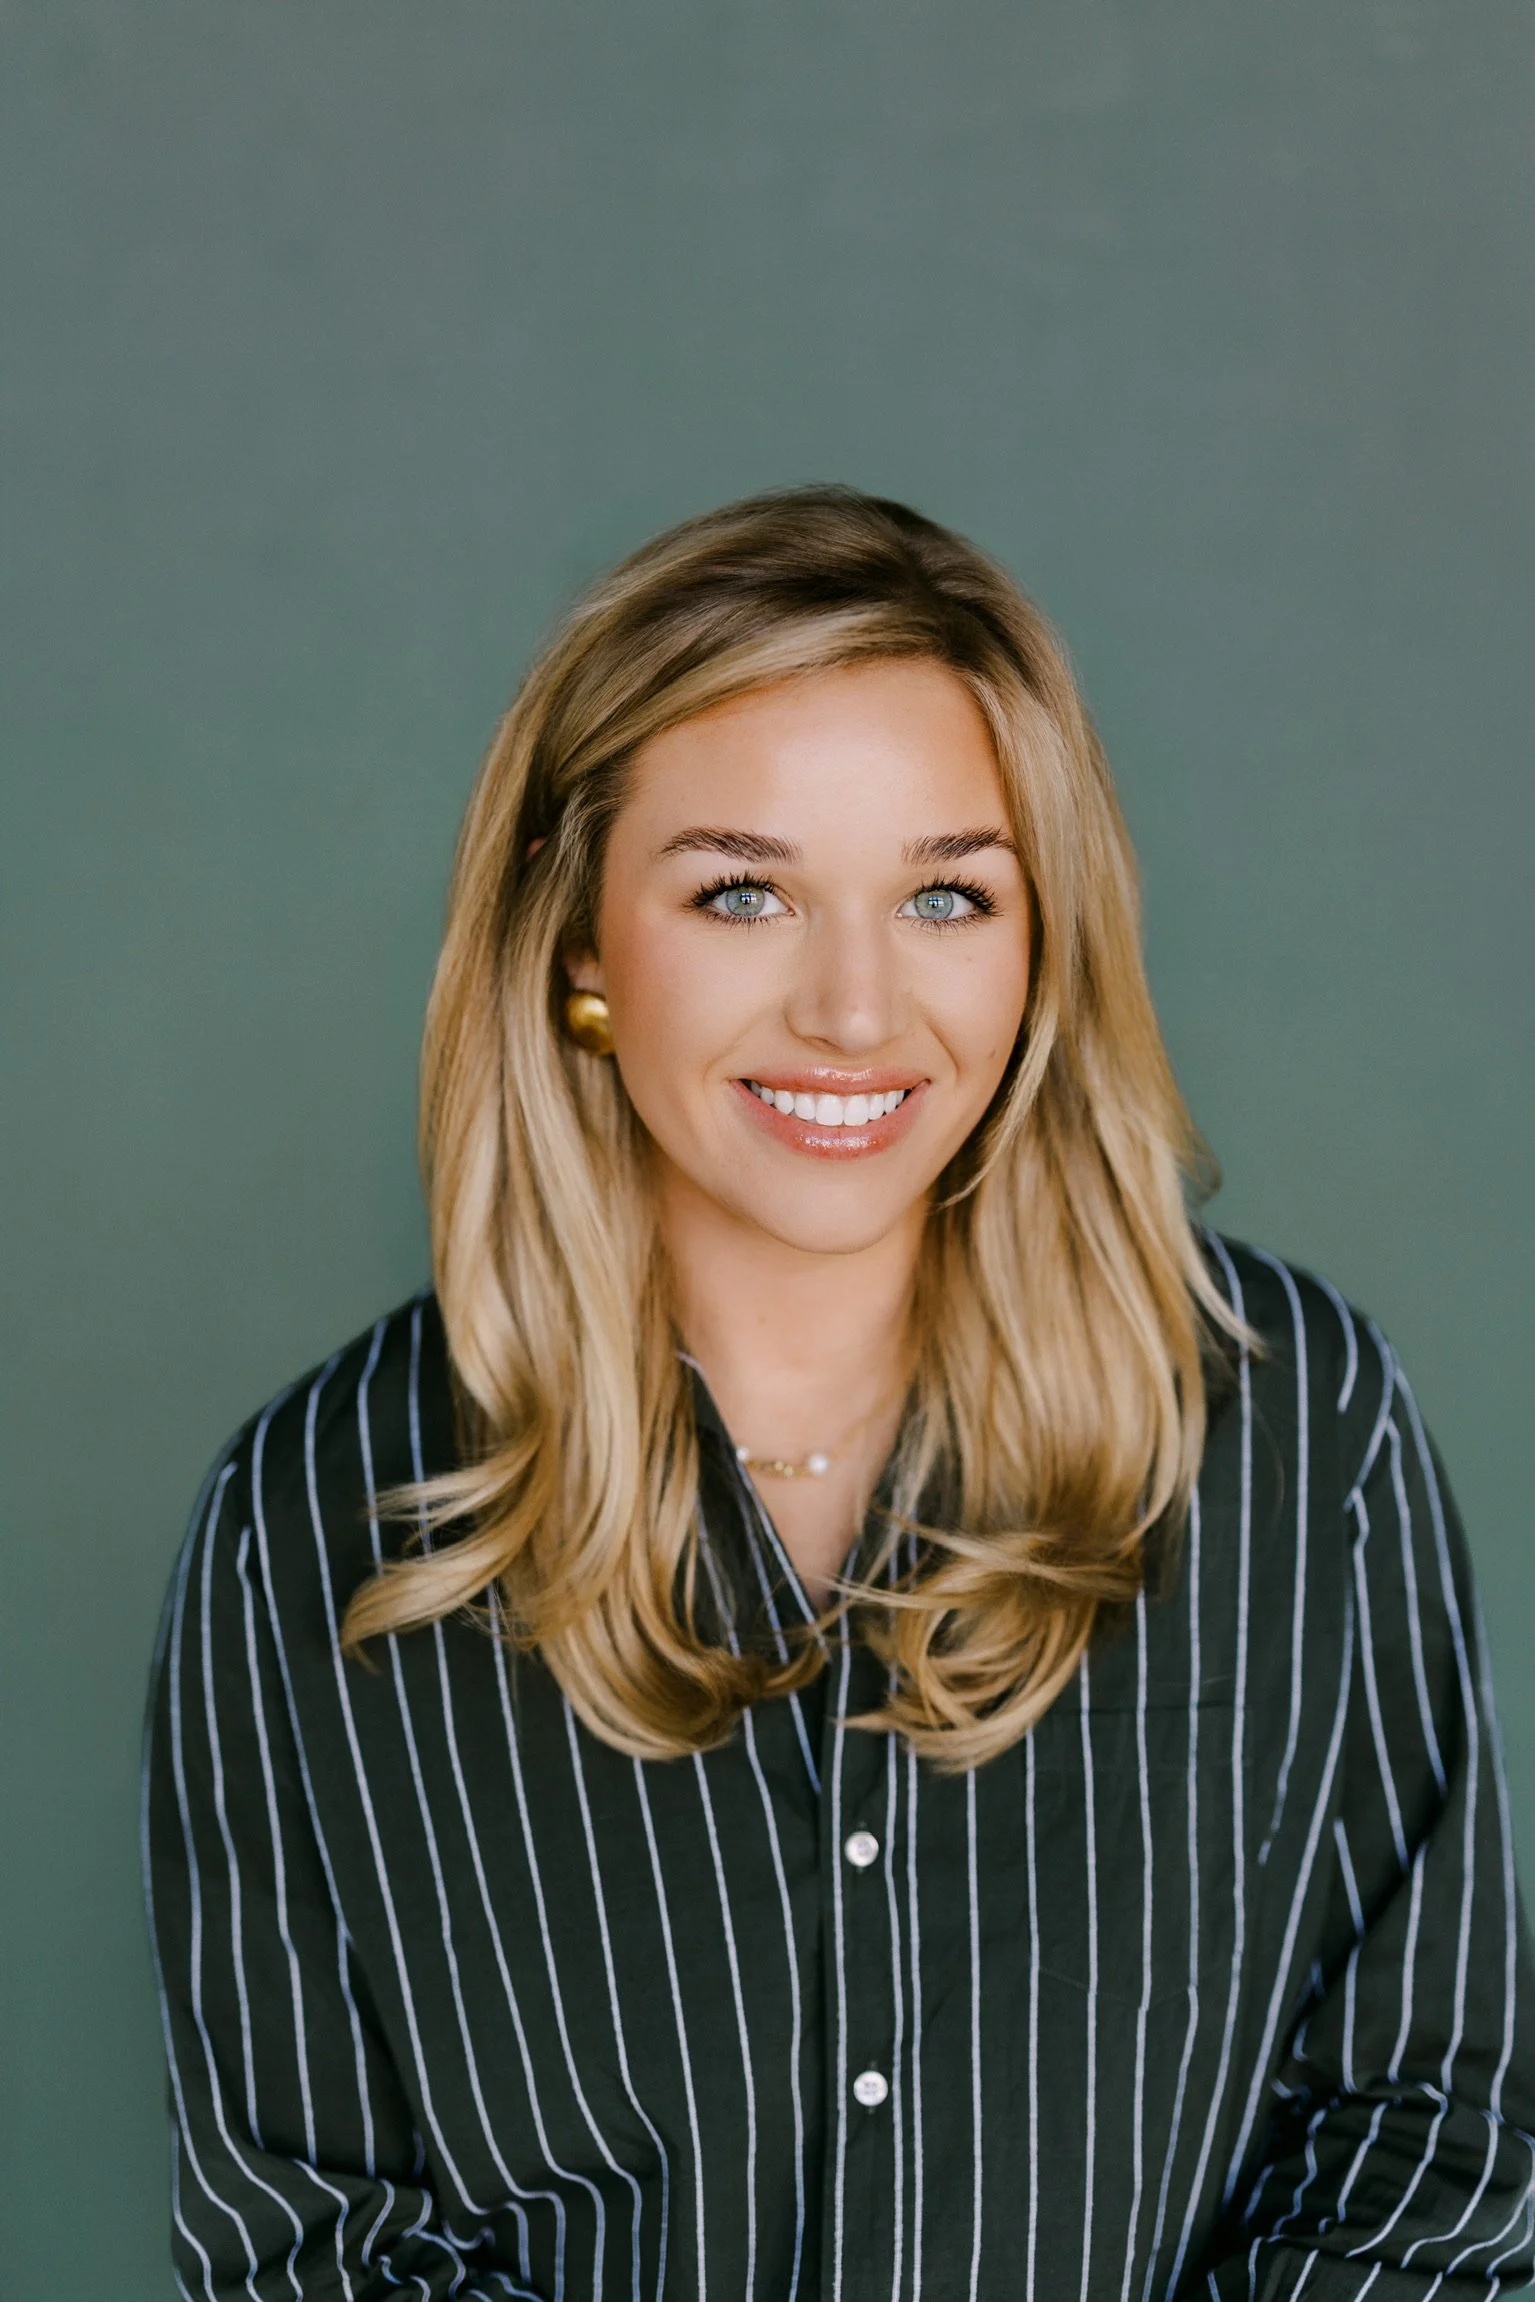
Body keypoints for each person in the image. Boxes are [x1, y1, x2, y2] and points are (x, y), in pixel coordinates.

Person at [144, 486, 1534, 2301]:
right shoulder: (316, 1522)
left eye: (945, 894)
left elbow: (1430, 2140)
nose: (857, 1010)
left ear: (1039, 947)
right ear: (576, 942)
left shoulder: (1291, 1437)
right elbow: (315, 2242)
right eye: (743, 892)